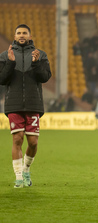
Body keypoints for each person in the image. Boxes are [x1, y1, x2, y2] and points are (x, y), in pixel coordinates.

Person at [0, 24, 51, 188]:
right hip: (13, 103)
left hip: (33, 103)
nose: (21, 35)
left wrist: (36, 63)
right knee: (17, 139)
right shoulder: (5, 56)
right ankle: (19, 177)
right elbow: (2, 79)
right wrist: (10, 62)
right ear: (14, 36)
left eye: (24, 33)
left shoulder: (40, 55)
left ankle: (26, 169)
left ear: (29, 36)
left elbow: (45, 77)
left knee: (33, 142)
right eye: (19, 33)